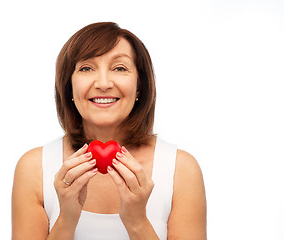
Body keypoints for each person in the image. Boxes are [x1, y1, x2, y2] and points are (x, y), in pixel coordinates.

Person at [12, 22, 206, 240]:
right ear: (69, 87)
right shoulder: (34, 169)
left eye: (119, 68)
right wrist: (66, 219)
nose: (103, 83)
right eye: (86, 68)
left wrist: (137, 222)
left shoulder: (181, 169)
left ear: (139, 86)